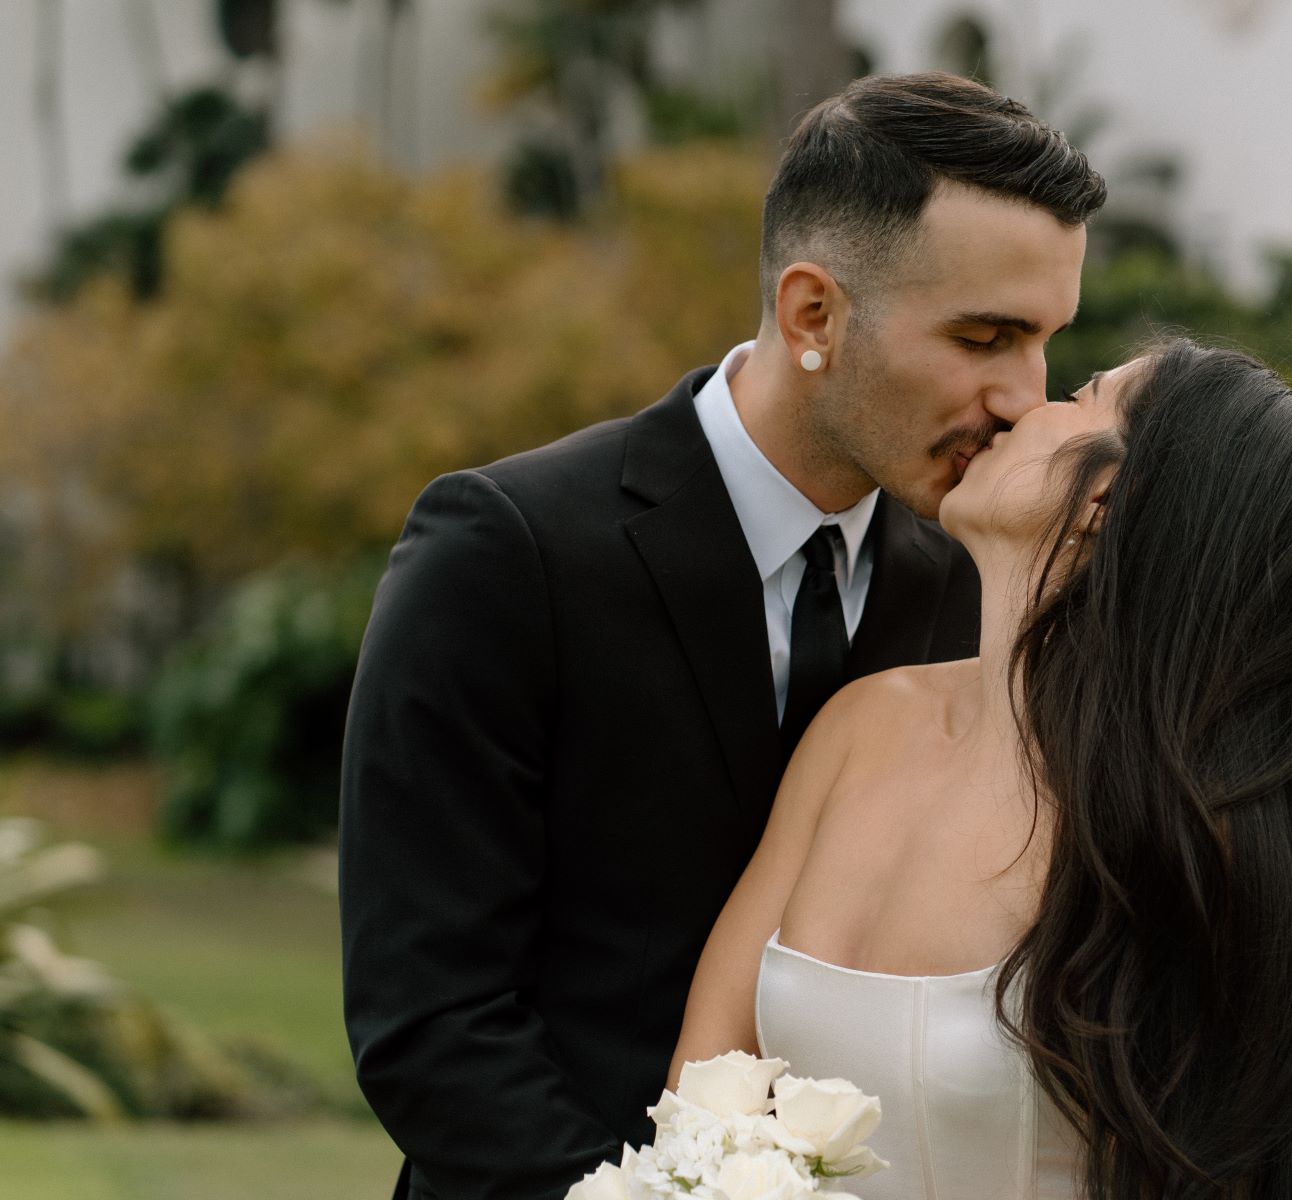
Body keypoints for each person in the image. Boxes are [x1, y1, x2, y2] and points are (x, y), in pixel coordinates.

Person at [338, 72, 1105, 1200]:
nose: (1023, 399)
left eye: (1042, 341)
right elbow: (430, 1020)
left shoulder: (970, 584)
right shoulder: (507, 551)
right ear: (813, 316)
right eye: (982, 337)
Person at [672, 342, 1292, 1199]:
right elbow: (703, 1099)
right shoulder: (862, 725)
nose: (1024, 406)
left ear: (1102, 500)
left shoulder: (1170, 841)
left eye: (1082, 394)